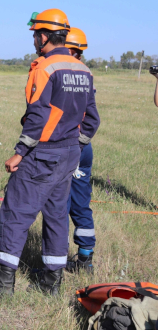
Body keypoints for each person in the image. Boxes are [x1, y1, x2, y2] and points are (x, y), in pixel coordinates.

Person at [0, 9, 100, 296]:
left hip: (42, 153)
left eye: (36, 34)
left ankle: (2, 284)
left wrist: (20, 152)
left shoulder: (44, 67)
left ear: (45, 35)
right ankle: (52, 283)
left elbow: (38, 115)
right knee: (57, 216)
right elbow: (92, 120)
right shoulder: (83, 70)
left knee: (15, 213)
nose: (34, 39)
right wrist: (77, 144)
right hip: (69, 155)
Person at [64, 27, 96, 273]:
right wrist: (82, 142)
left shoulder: (61, 73)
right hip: (83, 147)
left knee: (58, 205)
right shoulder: (86, 73)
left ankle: (54, 259)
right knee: (81, 203)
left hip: (66, 146)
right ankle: (85, 259)